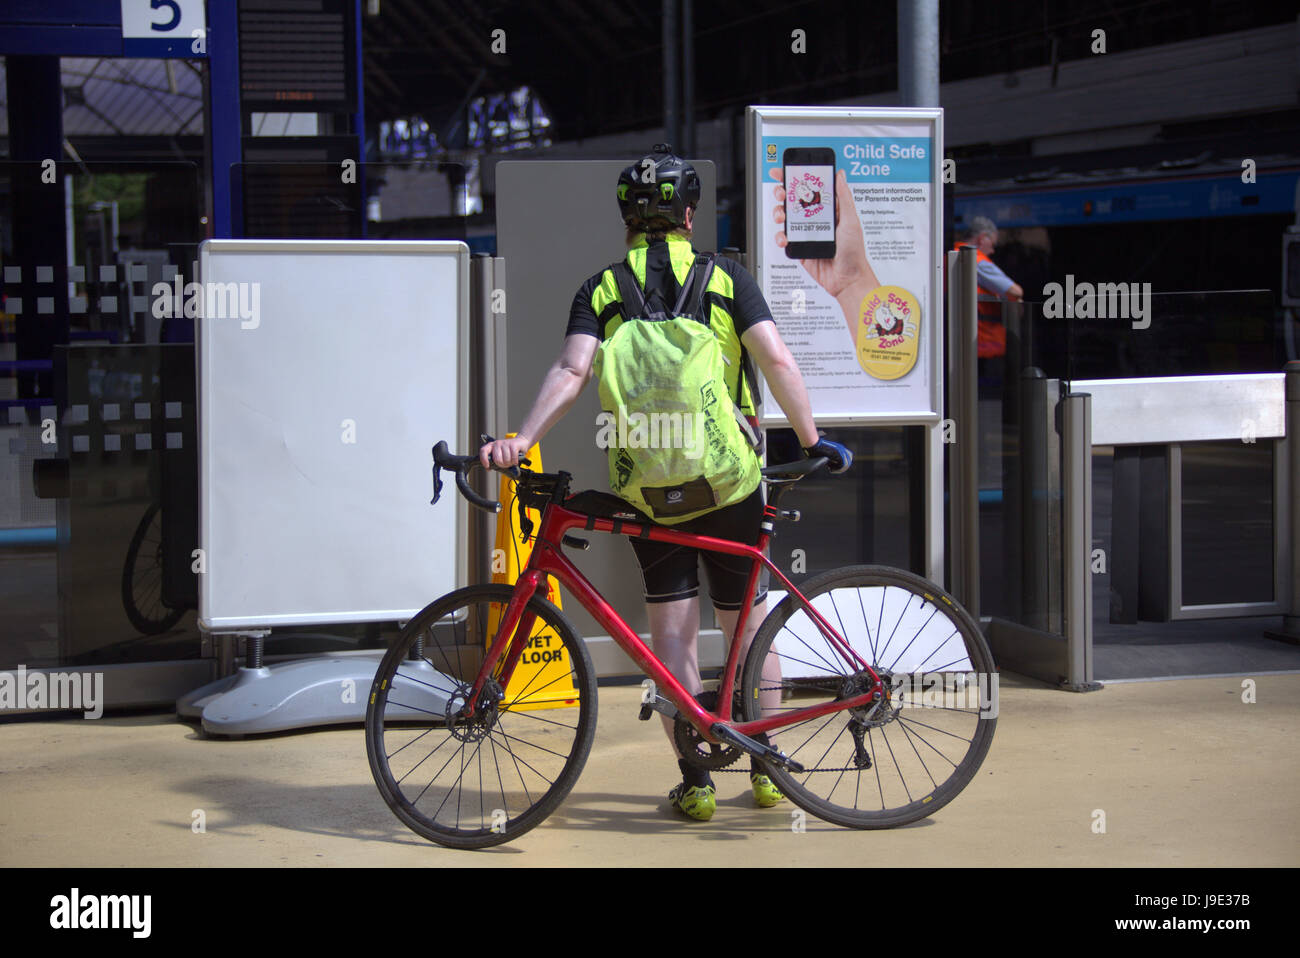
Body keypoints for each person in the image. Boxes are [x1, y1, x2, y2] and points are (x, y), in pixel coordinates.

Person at [479, 144, 851, 823]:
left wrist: (521, 439)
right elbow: (776, 359)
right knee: (751, 625)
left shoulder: (602, 288)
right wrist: (811, 441)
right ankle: (769, 770)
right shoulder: (727, 279)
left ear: (629, 219)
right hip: (733, 482)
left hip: (653, 496)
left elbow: (570, 372)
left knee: (671, 637)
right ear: (688, 213)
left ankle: (697, 780)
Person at [954, 216, 1023, 373]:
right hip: (983, 344)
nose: (992, 251)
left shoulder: (948, 256)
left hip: (958, 344)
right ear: (982, 239)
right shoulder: (976, 260)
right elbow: (1015, 291)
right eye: (992, 245)